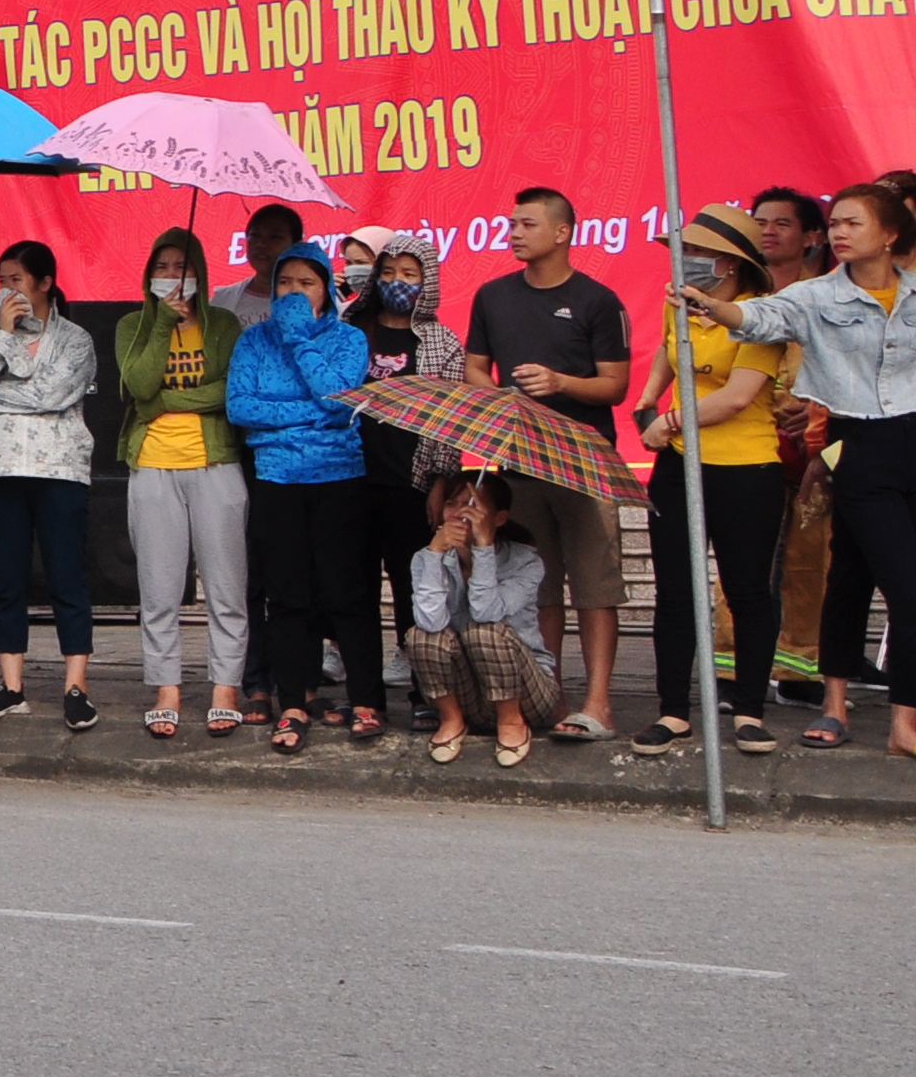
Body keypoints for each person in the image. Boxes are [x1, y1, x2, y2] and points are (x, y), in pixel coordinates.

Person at [719, 181, 916, 757]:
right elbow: (757, 318)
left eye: (853, 223)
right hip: (857, 448)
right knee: (906, 592)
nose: (840, 232)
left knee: (850, 575)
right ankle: (903, 722)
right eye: (835, 224)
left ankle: (835, 704)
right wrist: (710, 305)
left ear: (890, 233)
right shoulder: (817, 296)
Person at [460, 187, 634, 743]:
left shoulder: (597, 301)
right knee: (538, 583)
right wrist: (502, 400)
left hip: (583, 457)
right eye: (511, 223)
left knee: (594, 582)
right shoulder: (492, 295)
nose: (514, 232)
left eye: (527, 224)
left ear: (561, 233)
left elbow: (615, 384)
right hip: (519, 454)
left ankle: (599, 702)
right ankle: (548, 696)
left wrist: (561, 383)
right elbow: (474, 368)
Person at [637, 206, 791, 757]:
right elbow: (667, 351)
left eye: (696, 254)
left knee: (747, 591)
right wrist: (648, 398)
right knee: (675, 591)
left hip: (745, 468)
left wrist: (670, 421)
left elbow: (737, 396)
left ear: (726, 264)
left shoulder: (761, 316)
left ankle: (750, 711)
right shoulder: (678, 304)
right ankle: (673, 711)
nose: (686, 263)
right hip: (680, 464)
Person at [230, 243, 385, 751]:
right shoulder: (253, 341)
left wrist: (300, 339)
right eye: (285, 283)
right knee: (287, 596)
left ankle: (367, 697)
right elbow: (241, 407)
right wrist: (307, 414)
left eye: (307, 284)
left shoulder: (347, 339)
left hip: (340, 477)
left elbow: (339, 398)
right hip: (277, 478)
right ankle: (291, 699)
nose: (293, 294)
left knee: (347, 593)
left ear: (326, 291)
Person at [116, 224, 251, 741]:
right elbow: (139, 386)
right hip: (152, 465)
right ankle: (166, 688)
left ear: (201, 272)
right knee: (159, 587)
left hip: (215, 464)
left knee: (226, 585)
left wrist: (170, 402)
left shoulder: (223, 324)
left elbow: (229, 392)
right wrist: (160, 326)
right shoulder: (133, 325)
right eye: (162, 268)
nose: (173, 277)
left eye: (183, 267)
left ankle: (225, 686)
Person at [0, 240, 98, 728]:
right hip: (1, 468)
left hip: (59, 469)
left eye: (16, 280)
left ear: (44, 283)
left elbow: (54, 393)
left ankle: (76, 687)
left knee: (66, 578)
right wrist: (1, 338)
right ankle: (11, 685)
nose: (7, 290)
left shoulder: (76, 339)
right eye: (2, 281)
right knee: (7, 579)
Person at [347, 239, 441, 721]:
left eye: (410, 273)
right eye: (388, 271)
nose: (396, 282)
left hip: (411, 483)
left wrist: (440, 483)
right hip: (352, 479)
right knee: (356, 592)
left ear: (428, 281)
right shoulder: (351, 329)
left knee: (415, 592)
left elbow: (447, 422)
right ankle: (365, 697)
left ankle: (426, 696)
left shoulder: (440, 342)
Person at [412, 470, 557, 763]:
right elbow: (430, 622)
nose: (460, 513)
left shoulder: (526, 561)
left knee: (483, 632)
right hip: (468, 690)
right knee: (420, 636)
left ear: (500, 518)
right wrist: (435, 552)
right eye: (453, 504)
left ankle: (511, 721)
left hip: (526, 691)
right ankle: (451, 719)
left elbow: (486, 613)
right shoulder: (426, 557)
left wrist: (483, 550)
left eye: (473, 505)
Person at [212, 203, 311, 326]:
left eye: (275, 237)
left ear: (296, 245)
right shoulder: (223, 300)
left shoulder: (314, 304)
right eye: (255, 235)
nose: (261, 244)